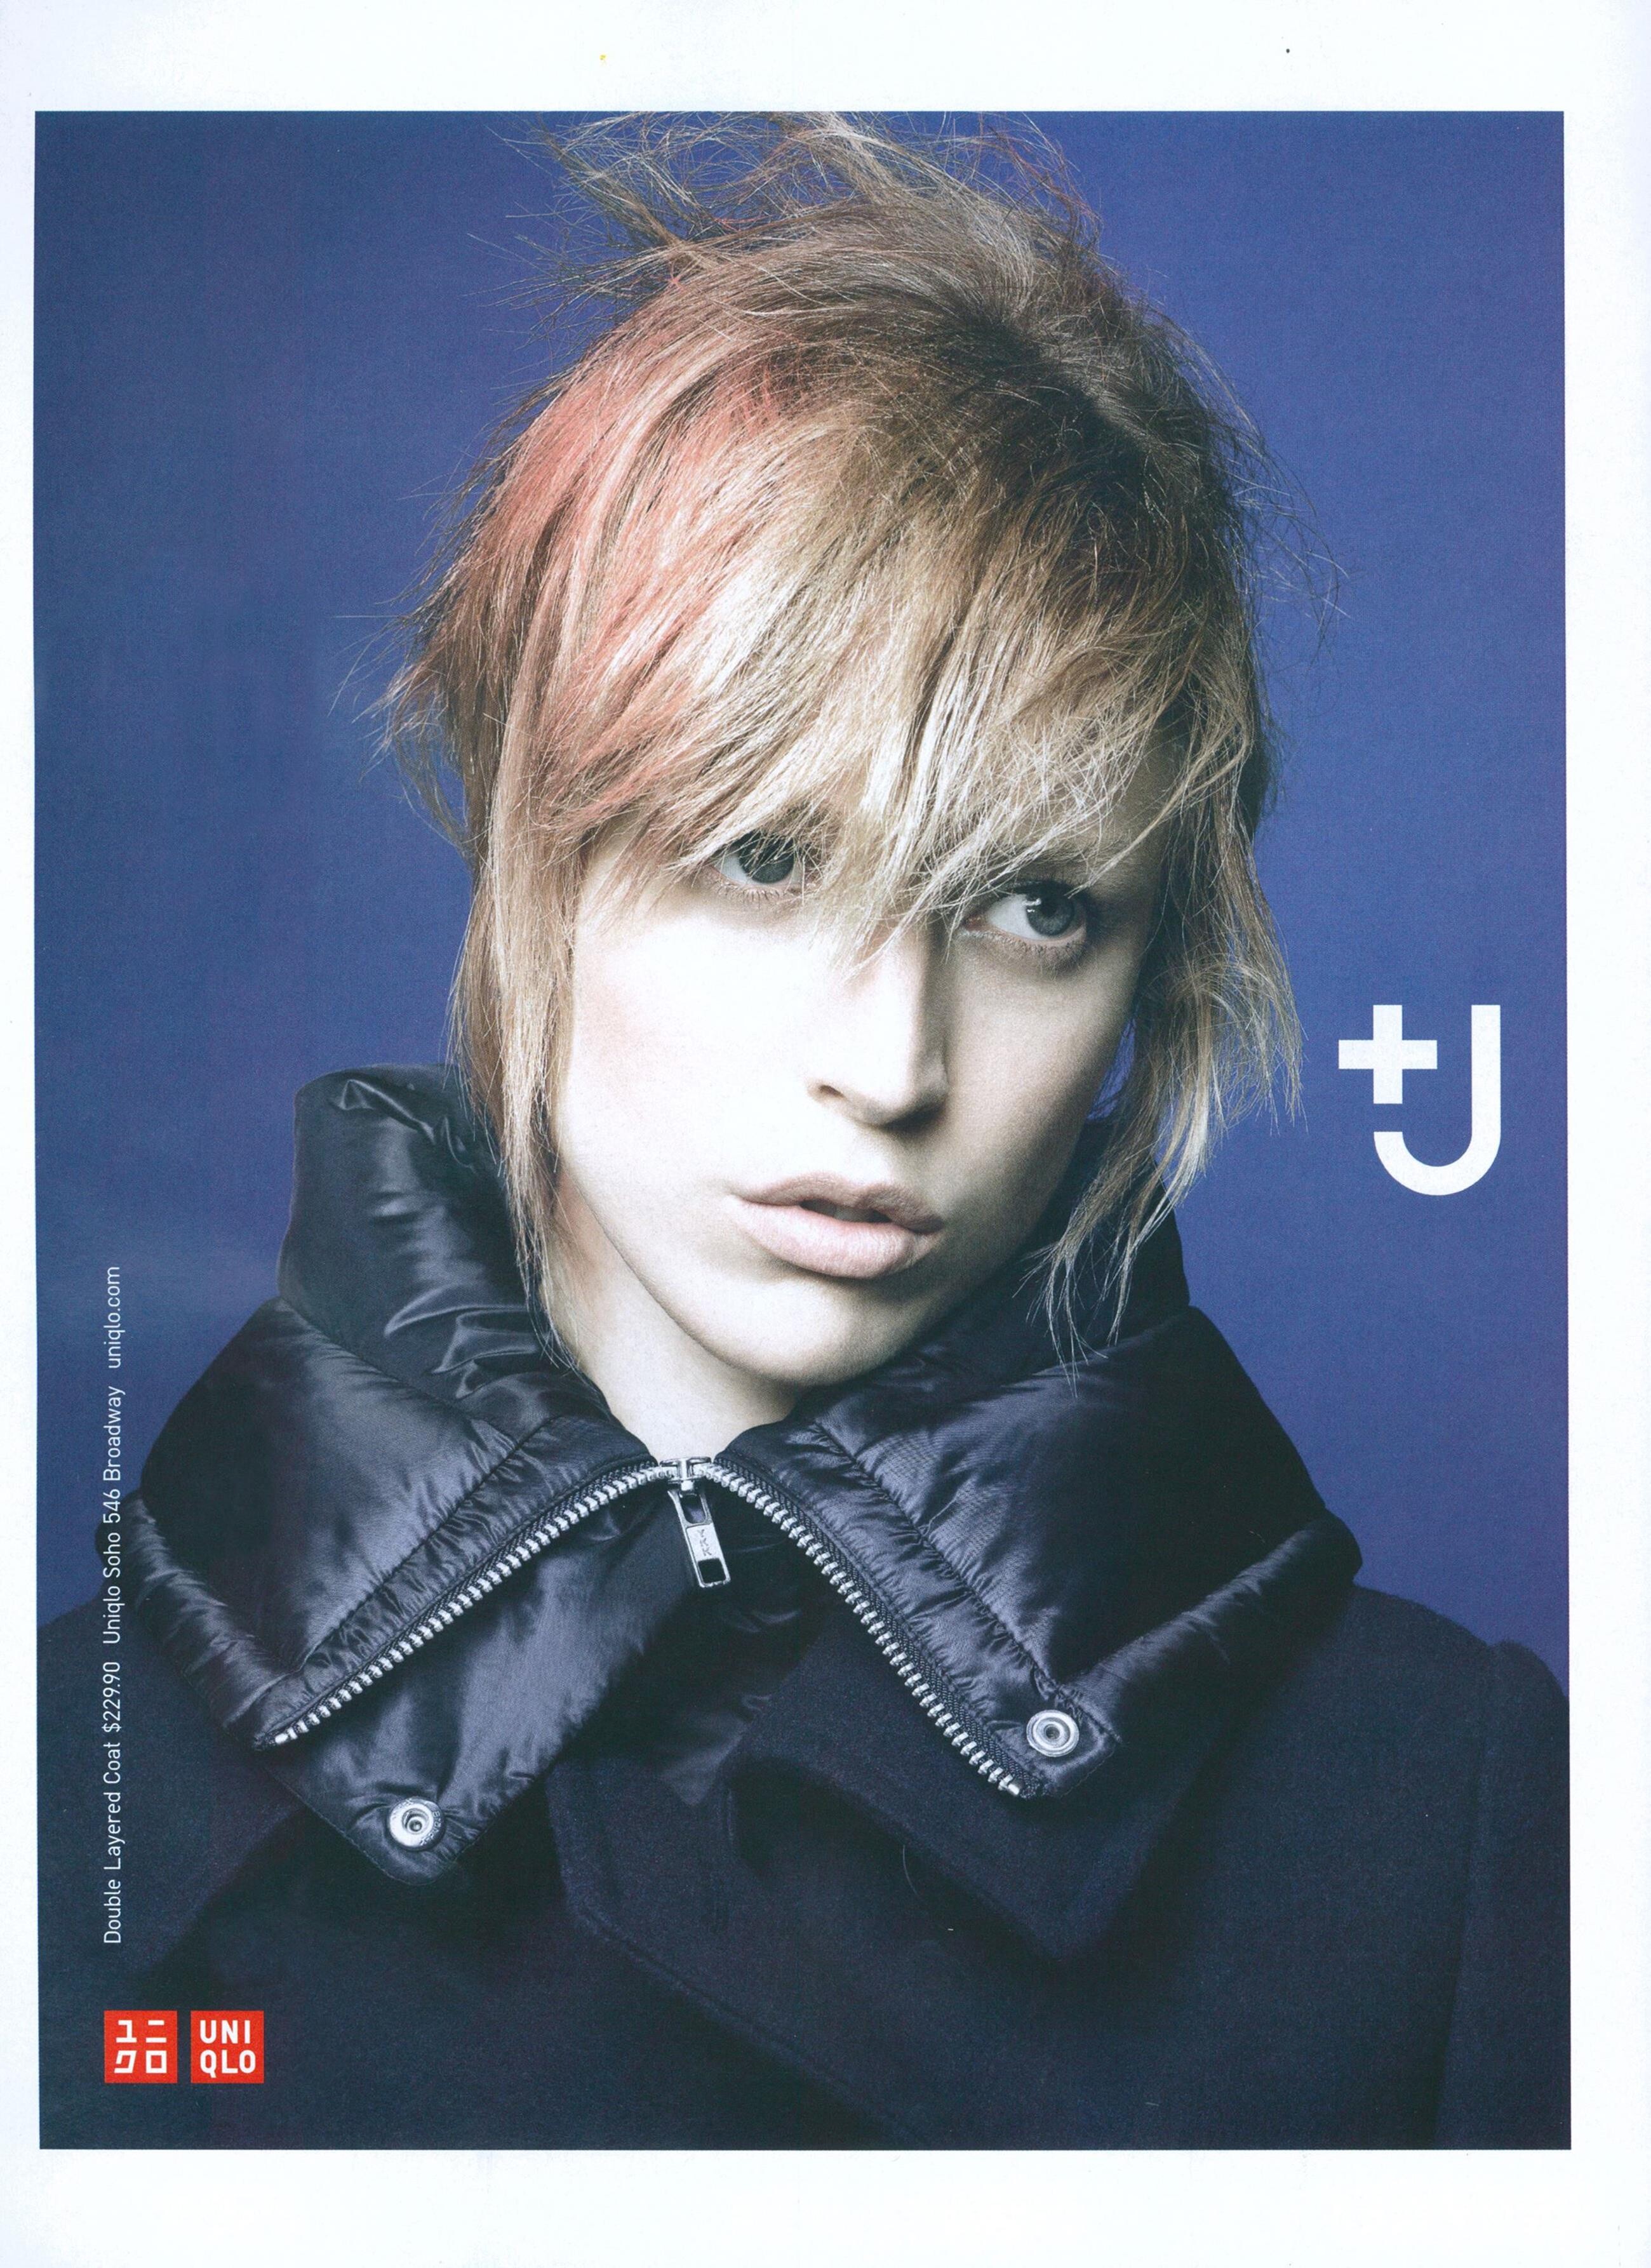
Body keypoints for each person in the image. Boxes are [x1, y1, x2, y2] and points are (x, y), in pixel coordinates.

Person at [37, 116, 1566, 2149]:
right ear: (529, 838)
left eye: (1039, 907)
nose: (893, 1060)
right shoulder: (72, 1796)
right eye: (766, 857)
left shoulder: (1449, 1824)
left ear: (1156, 961)